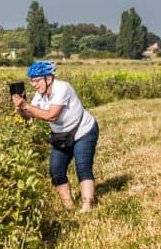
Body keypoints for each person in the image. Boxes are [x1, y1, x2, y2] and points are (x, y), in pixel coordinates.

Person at [12, 61, 99, 212]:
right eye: (31, 80)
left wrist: (26, 106)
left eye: (36, 80)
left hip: (83, 131)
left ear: (49, 79)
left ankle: (87, 206)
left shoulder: (62, 88)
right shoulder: (40, 95)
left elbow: (51, 116)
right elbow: (29, 116)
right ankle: (69, 206)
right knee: (56, 170)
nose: (34, 84)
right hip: (62, 136)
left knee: (83, 167)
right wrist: (20, 108)